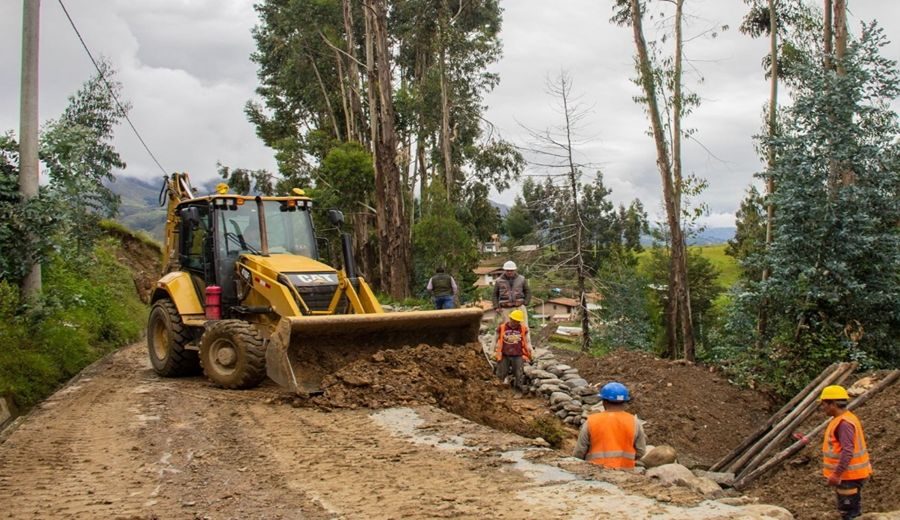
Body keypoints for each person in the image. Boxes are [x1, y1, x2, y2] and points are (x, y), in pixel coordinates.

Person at [819, 385, 872, 520]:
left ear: (833, 404)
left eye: (824, 404)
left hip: (848, 476)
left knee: (849, 513)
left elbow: (848, 451)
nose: (822, 407)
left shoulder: (844, 424)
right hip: (850, 474)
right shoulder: (846, 418)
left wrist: (836, 474)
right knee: (851, 510)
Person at [573, 382, 647, 469]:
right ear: (624, 402)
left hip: (595, 471)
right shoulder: (634, 422)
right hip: (625, 473)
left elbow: (579, 452)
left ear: (604, 402)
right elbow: (641, 451)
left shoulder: (592, 421)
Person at [493, 309, 531, 392]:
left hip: (518, 354)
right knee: (501, 373)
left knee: (519, 374)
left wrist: (530, 349)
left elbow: (527, 341)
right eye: (515, 321)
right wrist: (492, 350)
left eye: (518, 321)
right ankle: (498, 391)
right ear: (511, 319)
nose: (516, 323)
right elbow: (495, 339)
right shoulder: (502, 327)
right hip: (504, 354)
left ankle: (518, 390)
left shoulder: (523, 328)